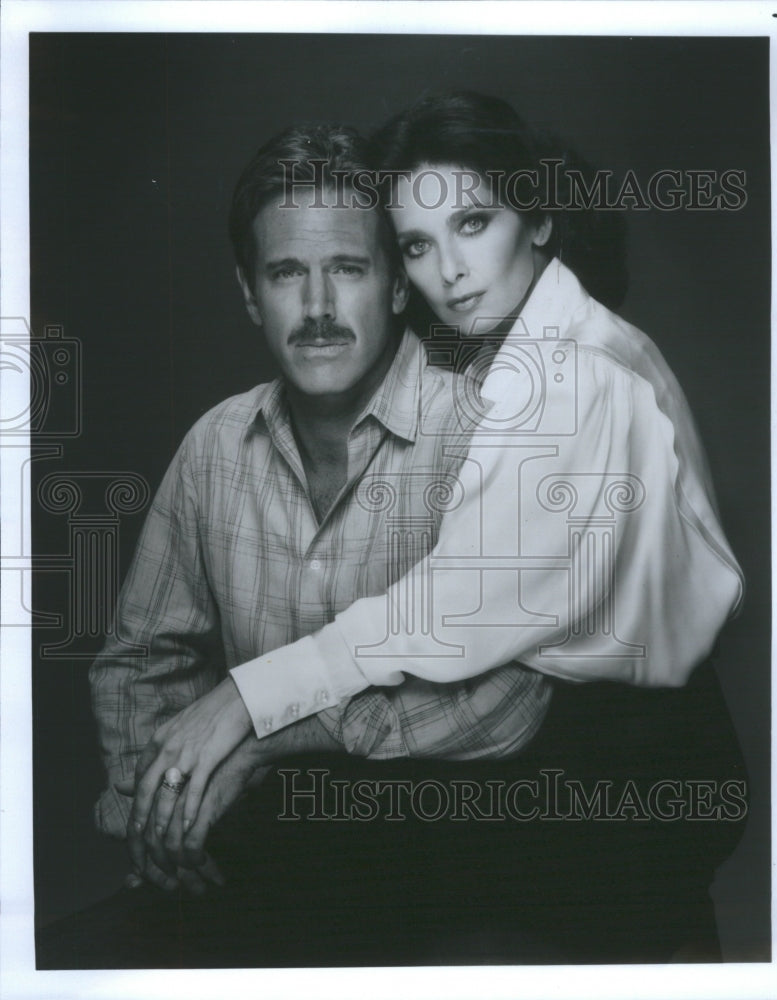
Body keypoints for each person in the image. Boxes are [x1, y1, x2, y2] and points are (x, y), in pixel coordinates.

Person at [129, 91, 745, 870]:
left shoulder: (573, 378)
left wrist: (248, 705)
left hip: (639, 753)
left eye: (473, 223)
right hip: (595, 744)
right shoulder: (522, 350)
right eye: (416, 245)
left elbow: (452, 604)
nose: (448, 273)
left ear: (540, 218)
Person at [45, 122, 552, 967]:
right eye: (287, 274)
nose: (317, 309)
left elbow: (505, 705)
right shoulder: (215, 447)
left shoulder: (482, 437)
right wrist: (167, 817)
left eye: (347, 269)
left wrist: (265, 728)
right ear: (250, 294)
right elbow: (139, 660)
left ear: (395, 286)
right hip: (258, 871)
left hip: (456, 882)